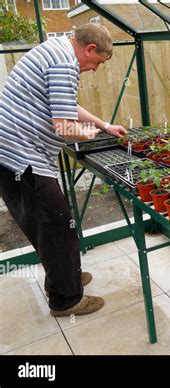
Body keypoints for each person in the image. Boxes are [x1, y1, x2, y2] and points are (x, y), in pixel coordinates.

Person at [0, 24, 127, 317]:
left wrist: (104, 125)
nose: (95, 69)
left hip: (11, 156)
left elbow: (69, 106)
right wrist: (88, 135)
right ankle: (66, 300)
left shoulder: (53, 51)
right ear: (90, 49)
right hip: (23, 159)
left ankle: (62, 276)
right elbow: (65, 127)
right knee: (57, 226)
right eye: (98, 62)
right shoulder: (64, 64)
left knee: (46, 226)